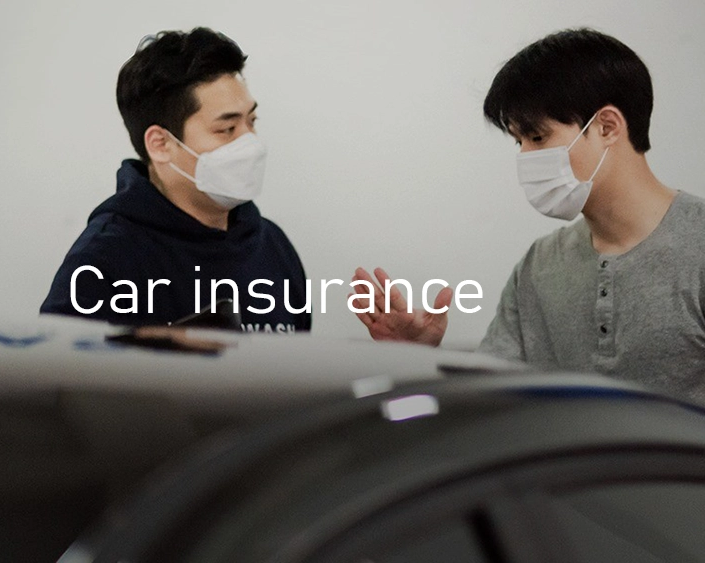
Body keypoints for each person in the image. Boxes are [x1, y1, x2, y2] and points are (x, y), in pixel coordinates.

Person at [353, 29, 705, 399]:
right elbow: (495, 402)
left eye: (537, 137)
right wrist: (421, 355)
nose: (525, 157)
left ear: (607, 127)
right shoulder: (539, 265)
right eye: (518, 141)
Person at [41, 28, 310, 333]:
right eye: (227, 129)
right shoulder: (105, 264)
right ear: (160, 144)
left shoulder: (272, 246)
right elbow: (54, 363)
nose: (251, 144)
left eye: (251, 121)